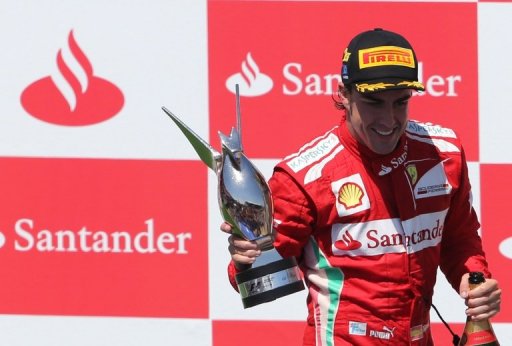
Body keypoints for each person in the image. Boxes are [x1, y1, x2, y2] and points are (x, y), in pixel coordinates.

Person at [221, 28, 501, 345]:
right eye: (373, 102)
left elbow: (458, 239)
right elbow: (263, 281)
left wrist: (475, 281)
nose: (388, 119)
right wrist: (248, 259)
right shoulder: (305, 177)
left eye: (401, 102)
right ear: (344, 94)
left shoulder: (443, 154)